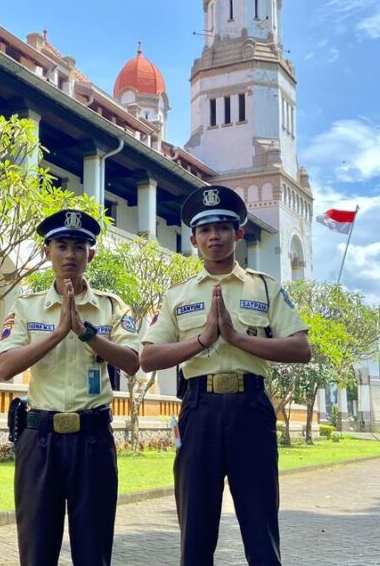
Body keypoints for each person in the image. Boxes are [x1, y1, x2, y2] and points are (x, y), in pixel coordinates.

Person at [140, 185, 312, 566]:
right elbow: (148, 357)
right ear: (193, 239)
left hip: (250, 408)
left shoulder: (264, 288)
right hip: (198, 410)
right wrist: (203, 339)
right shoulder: (177, 296)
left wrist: (236, 339)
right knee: (196, 535)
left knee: (261, 531)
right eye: (205, 230)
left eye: (222, 228)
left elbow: (301, 348)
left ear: (239, 234)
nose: (213, 237)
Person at [0, 209, 141, 566]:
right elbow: (6, 367)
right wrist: (60, 332)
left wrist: (86, 333)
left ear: (92, 254)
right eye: (61, 246)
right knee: (37, 551)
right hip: (39, 441)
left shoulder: (111, 307)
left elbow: (132, 362)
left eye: (79, 247)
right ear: (47, 251)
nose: (70, 255)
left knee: (93, 552)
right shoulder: (27, 307)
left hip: (92, 440)